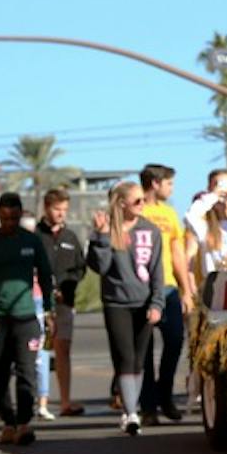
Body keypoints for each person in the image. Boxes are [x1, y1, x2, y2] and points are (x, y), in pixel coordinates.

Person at [0, 192, 54, 447]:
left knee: (27, 371)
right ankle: (7, 420)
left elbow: (45, 273)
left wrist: (49, 310)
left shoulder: (31, 241)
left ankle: (24, 423)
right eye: (5, 217)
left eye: (14, 217)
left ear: (21, 215)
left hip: (26, 318)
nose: (9, 222)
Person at [88, 182, 164, 436]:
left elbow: (157, 271)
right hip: (116, 303)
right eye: (137, 201)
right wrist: (101, 237)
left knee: (140, 360)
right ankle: (131, 413)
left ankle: (132, 408)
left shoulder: (151, 231)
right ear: (121, 203)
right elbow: (100, 266)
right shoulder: (108, 229)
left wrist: (157, 303)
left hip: (143, 303)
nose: (142, 205)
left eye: (143, 200)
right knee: (125, 358)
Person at [138, 164, 193, 425]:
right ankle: (148, 407)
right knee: (144, 349)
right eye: (169, 184)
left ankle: (165, 393)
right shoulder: (137, 210)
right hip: (142, 290)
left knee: (175, 341)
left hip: (169, 287)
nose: (172, 189)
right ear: (155, 183)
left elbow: (178, 252)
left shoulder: (169, 213)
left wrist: (186, 290)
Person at [37, 190, 86, 417]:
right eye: (57, 209)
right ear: (47, 207)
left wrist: (67, 287)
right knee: (41, 351)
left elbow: (80, 268)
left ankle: (65, 402)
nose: (61, 214)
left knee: (63, 350)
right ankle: (41, 403)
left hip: (65, 303)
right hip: (39, 304)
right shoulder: (35, 236)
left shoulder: (71, 238)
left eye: (65, 210)